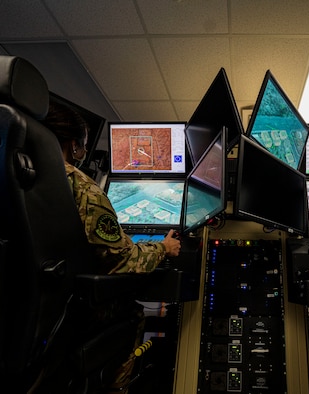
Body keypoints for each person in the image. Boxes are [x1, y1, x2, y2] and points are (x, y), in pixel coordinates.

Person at [42, 100, 181, 391]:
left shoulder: (13, 175)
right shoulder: (81, 186)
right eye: (82, 146)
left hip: (22, 315)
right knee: (134, 311)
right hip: (72, 313)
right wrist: (163, 248)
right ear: (74, 146)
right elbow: (124, 261)